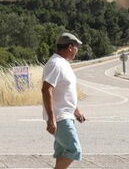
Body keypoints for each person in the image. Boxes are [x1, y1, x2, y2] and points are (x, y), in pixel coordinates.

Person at [41, 32, 86, 169]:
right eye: (77, 47)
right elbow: (46, 89)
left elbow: (65, 90)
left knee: (62, 152)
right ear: (71, 47)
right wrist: (51, 118)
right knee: (74, 149)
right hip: (60, 117)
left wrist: (76, 110)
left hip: (66, 115)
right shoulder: (56, 64)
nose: (77, 51)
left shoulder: (63, 63)